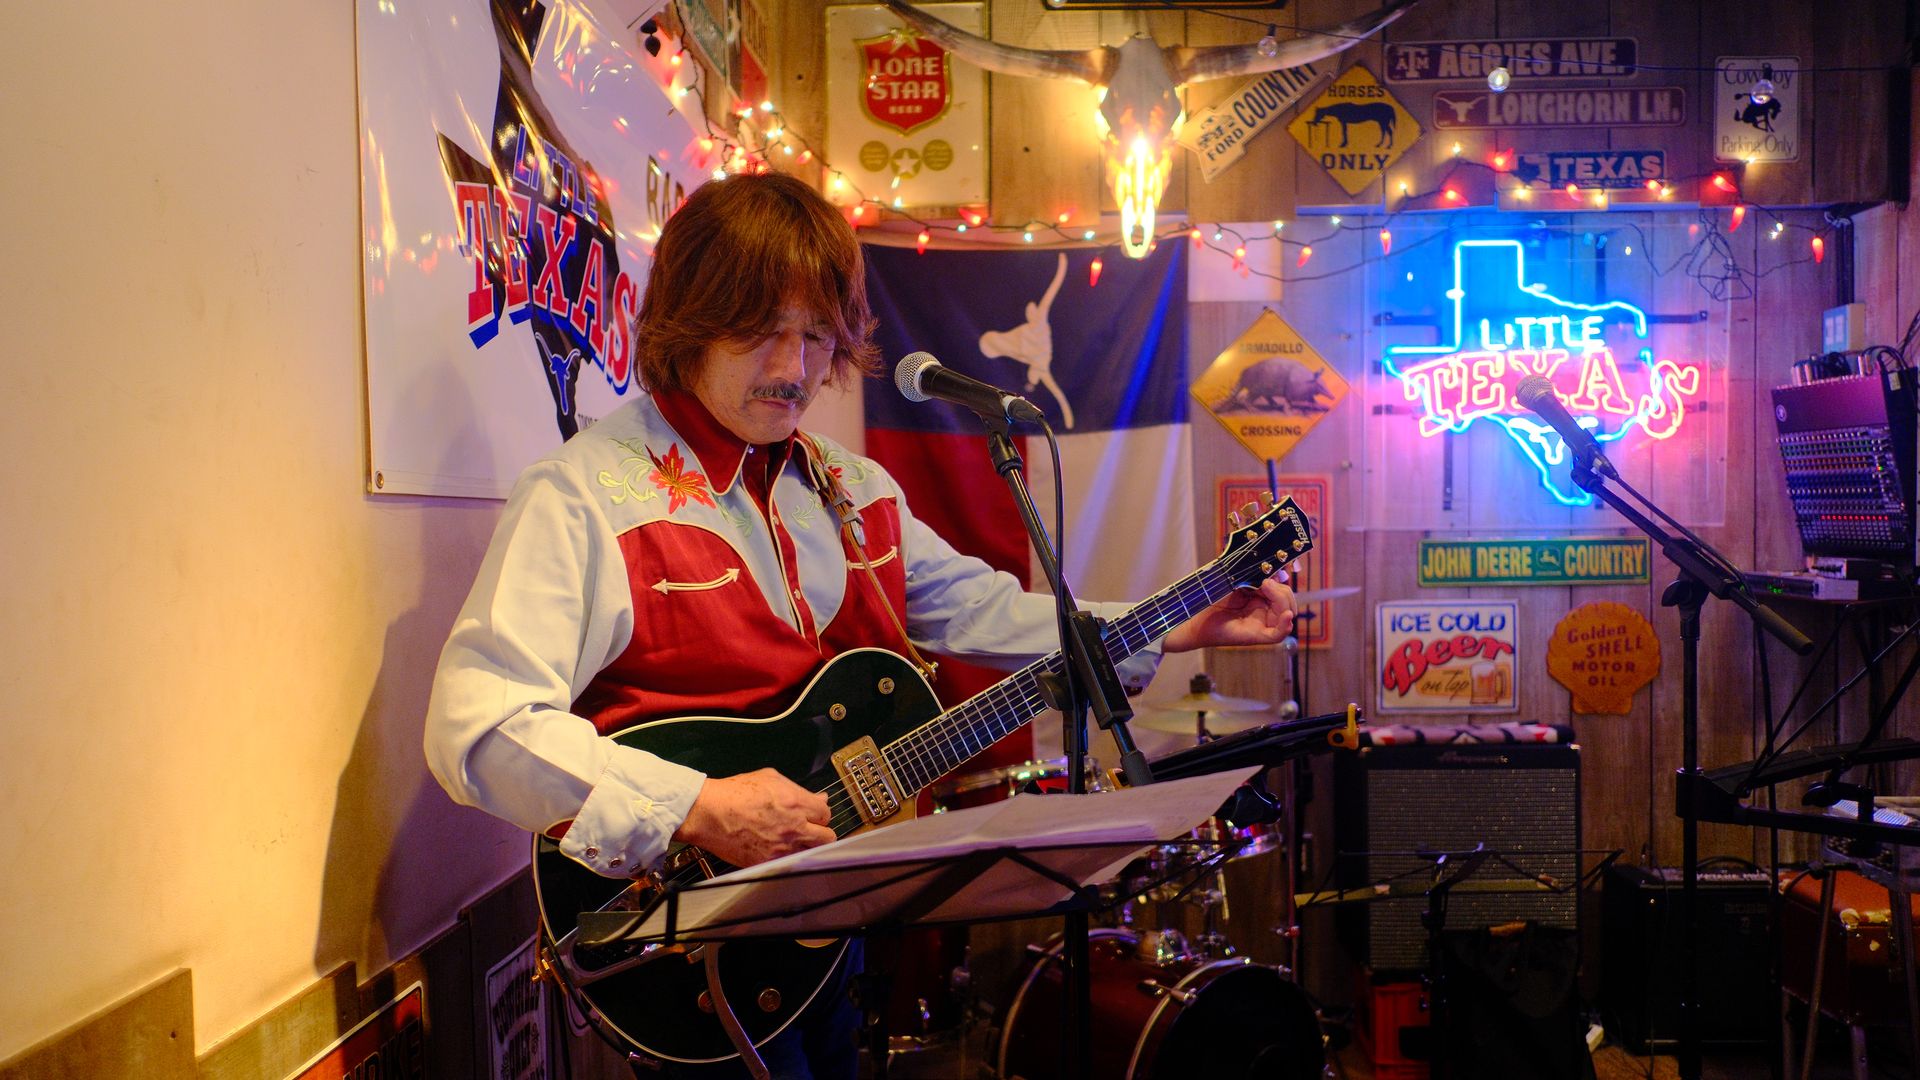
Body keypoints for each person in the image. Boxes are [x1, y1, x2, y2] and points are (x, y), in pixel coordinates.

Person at [423, 172, 1295, 1079]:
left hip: (827, 938)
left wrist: (1184, 619)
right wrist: (701, 806)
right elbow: (476, 728)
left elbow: (986, 608)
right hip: (683, 946)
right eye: (763, 330)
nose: (795, 367)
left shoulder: (853, 490)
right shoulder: (584, 496)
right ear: (686, 323)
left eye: (814, 334)